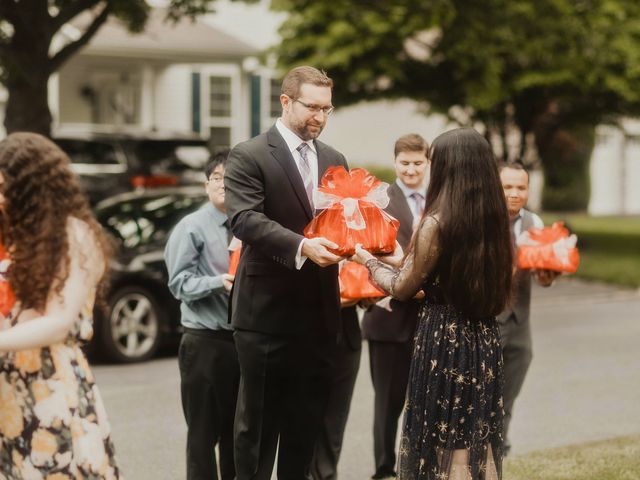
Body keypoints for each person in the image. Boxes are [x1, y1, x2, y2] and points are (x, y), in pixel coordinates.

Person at [352, 128, 513, 480]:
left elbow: (402, 288)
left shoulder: (437, 222)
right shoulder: (493, 219)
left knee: (449, 449)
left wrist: (367, 260)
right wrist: (400, 261)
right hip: (483, 338)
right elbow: (441, 271)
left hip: (446, 340)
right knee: (478, 445)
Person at [223, 66, 348, 479]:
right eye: (312, 107)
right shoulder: (250, 153)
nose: (320, 117)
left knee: (304, 427)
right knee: (256, 428)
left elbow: (343, 221)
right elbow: (243, 219)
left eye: (327, 109)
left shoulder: (335, 159)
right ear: (285, 101)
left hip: (320, 316)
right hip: (265, 317)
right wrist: (301, 245)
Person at [0, 132, 121, 478]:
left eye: (7, 189)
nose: (2, 199)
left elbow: (59, 322)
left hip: (49, 388)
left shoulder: (75, 235)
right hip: (7, 391)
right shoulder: (18, 239)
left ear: (33, 189)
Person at [164, 151, 239, 480]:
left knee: (238, 433)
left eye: (231, 178)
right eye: (217, 177)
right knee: (202, 435)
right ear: (206, 183)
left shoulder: (247, 225)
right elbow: (178, 283)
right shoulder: (191, 227)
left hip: (241, 341)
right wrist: (217, 283)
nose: (224, 184)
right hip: (204, 342)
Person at [361, 133, 429, 480]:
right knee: (387, 402)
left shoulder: (437, 200)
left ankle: (416, 466)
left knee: (424, 401)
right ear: (395, 162)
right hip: (387, 316)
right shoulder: (380, 199)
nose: (411, 169)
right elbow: (367, 250)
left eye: (418, 163)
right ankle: (384, 469)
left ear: (427, 163)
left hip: (428, 318)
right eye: (405, 163)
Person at [497, 163, 557, 455]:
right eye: (508, 187)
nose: (514, 193)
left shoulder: (535, 222)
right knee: (485, 391)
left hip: (521, 319)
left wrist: (548, 276)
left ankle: (500, 444)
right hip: (488, 319)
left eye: (521, 187)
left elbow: (543, 277)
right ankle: (486, 445)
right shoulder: (483, 222)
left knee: (511, 389)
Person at [311, 303, 361, 480]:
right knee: (305, 415)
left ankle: (327, 474)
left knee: (336, 418)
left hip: (347, 335)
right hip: (308, 333)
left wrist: (366, 297)